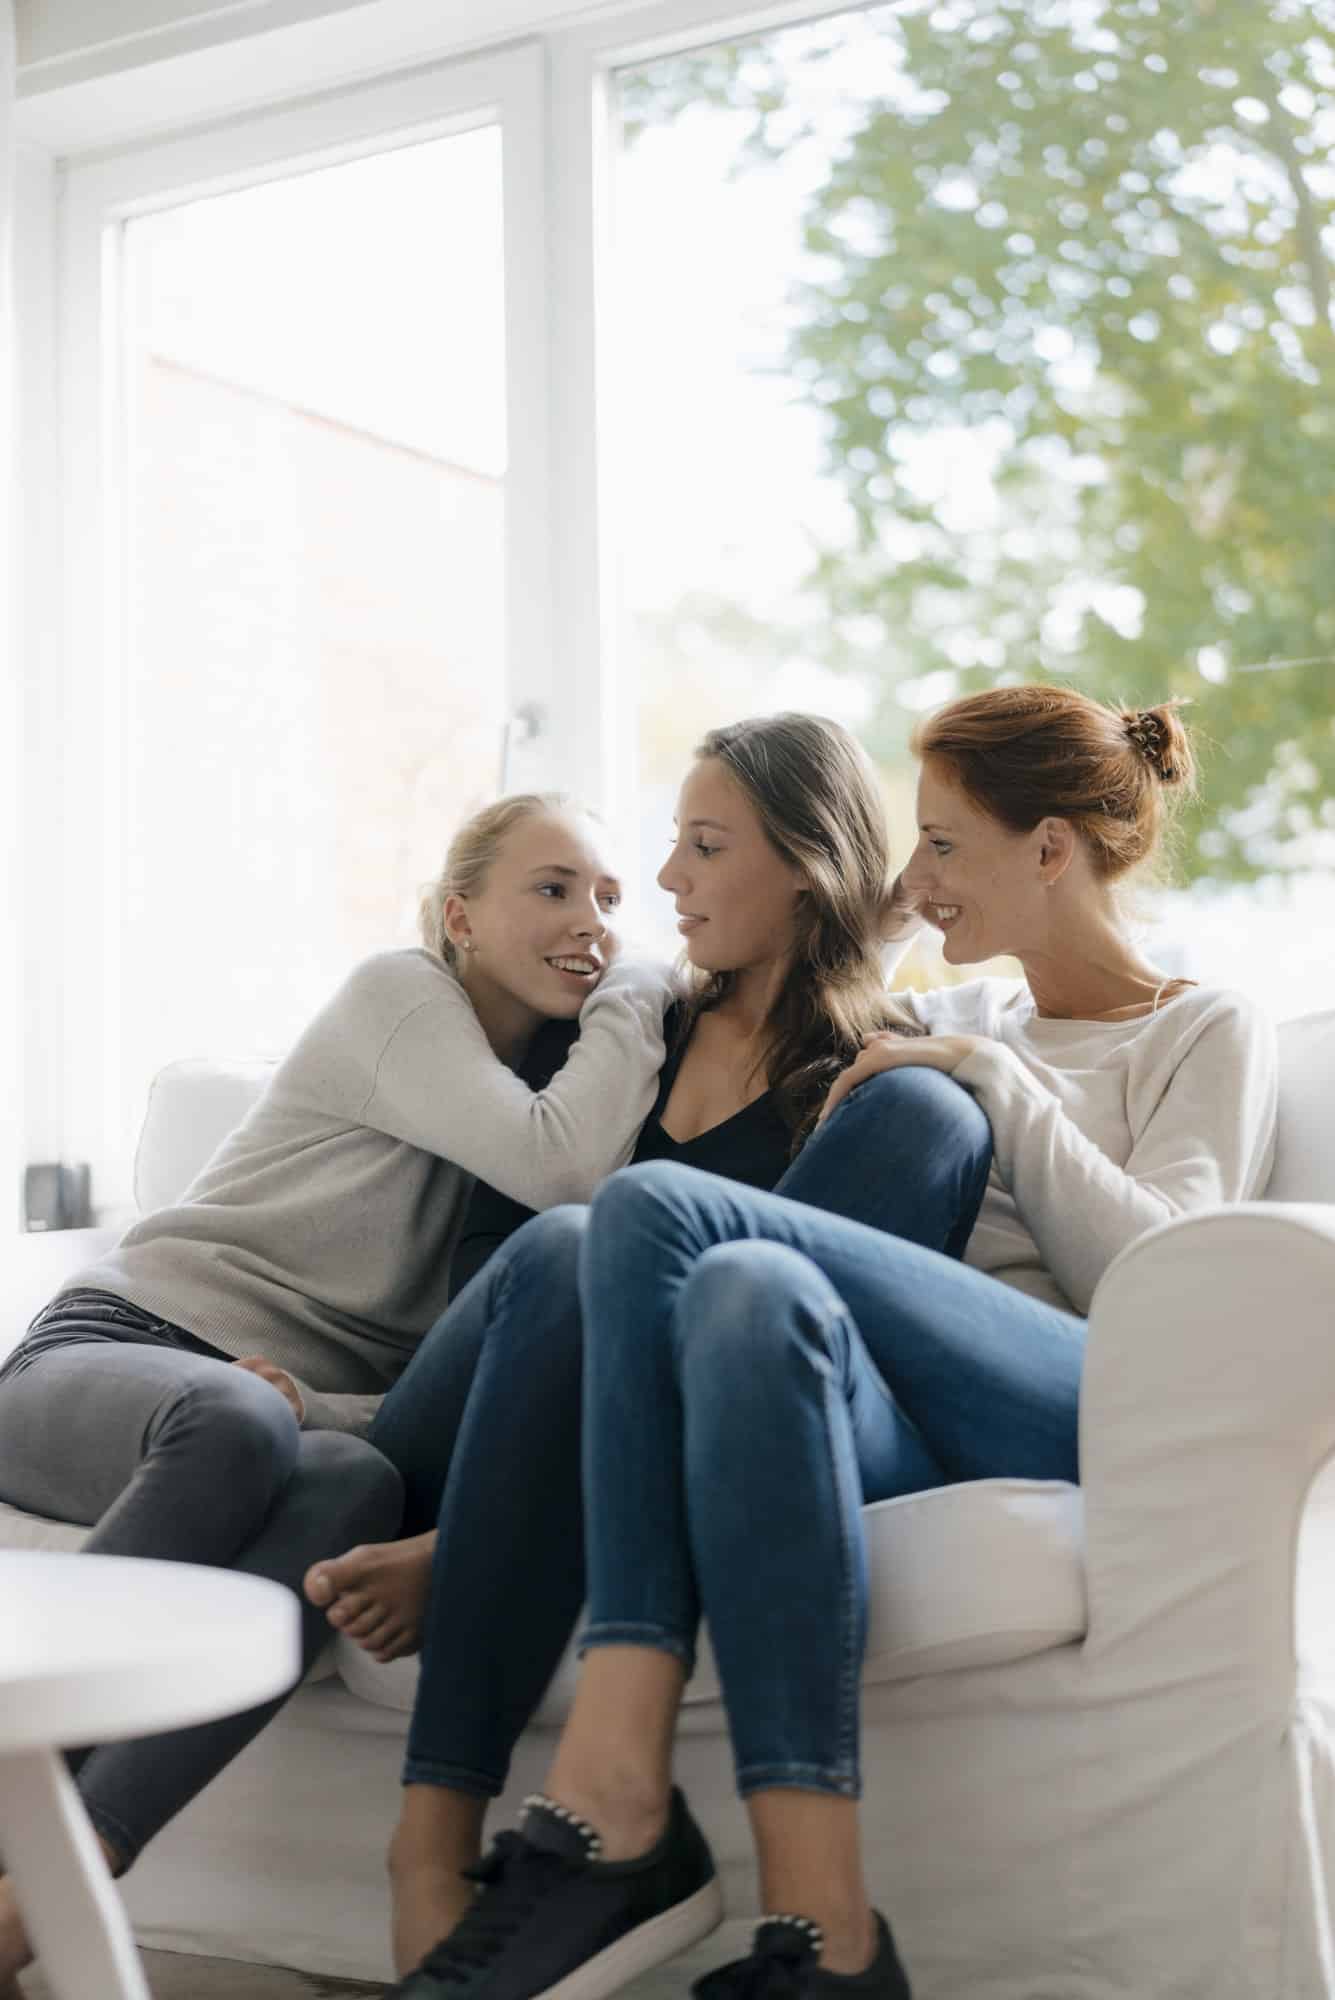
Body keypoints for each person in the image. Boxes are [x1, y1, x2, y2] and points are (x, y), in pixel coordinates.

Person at [385, 686, 1279, 2000]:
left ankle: (611, 1799)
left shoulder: (1195, 1025)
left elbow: (1152, 1282)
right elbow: (817, 915)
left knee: (675, 1199)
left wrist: (998, 1091)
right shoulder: (957, 1018)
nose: (914, 877)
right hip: (901, 1423)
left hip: (1076, 1397)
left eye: (944, 846)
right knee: (745, 1288)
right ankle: (826, 1942)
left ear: (1047, 850)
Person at [301, 712, 994, 1978]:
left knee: (824, 1184)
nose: (662, 882)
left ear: (805, 863)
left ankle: (476, 1605)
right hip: (488, 1407)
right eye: (670, 846)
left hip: (684, 1430)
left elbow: (779, 1353)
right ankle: (430, 1848)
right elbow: (490, 1280)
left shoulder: (862, 1081)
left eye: (702, 845)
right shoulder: (616, 1031)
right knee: (571, 1247)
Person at [0, 790, 674, 1997]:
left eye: (614, 902)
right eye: (556, 887)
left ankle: (44, 1898)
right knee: (240, 1416)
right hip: (108, 1348)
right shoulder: (401, 995)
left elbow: (422, 1378)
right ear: (460, 914)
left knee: (356, 1479)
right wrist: (641, 987)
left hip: (266, 1404)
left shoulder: (546, 1084)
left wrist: (321, 1407)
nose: (594, 923)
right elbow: (563, 1168)